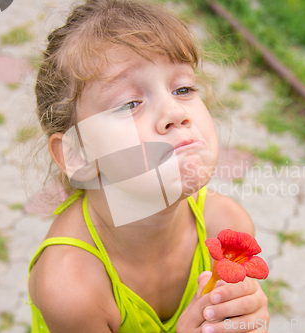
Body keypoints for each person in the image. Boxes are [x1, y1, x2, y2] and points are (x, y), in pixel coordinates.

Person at [26, 0, 270, 332]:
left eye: (182, 89)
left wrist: (245, 318)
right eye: (130, 104)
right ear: (78, 154)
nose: (174, 112)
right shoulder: (72, 287)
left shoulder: (227, 231)